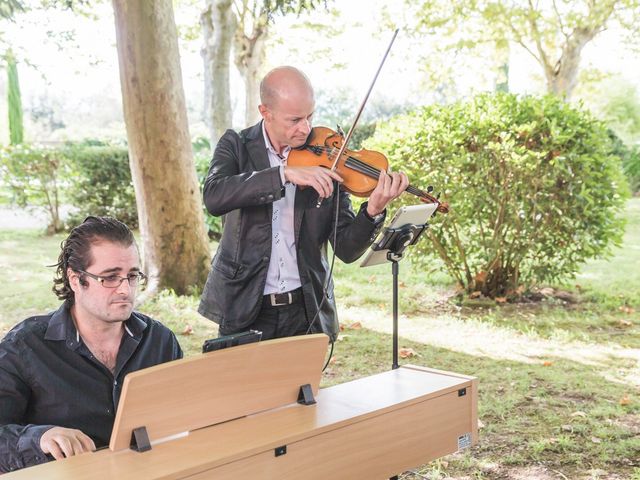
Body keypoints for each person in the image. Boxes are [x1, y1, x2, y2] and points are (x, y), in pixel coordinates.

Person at [198, 65, 408, 341]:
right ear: (265, 112)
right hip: (245, 306)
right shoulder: (236, 145)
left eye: (310, 116)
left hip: (307, 308)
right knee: (248, 386)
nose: (306, 128)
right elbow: (214, 196)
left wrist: (372, 210)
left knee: (307, 387)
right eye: (294, 120)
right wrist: (283, 174)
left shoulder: (328, 156)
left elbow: (345, 249)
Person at [0, 216, 183, 473]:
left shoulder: (160, 341)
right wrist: (39, 438)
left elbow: (185, 418)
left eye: (132, 276)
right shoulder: (25, 347)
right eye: (109, 278)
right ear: (75, 279)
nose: (125, 290)